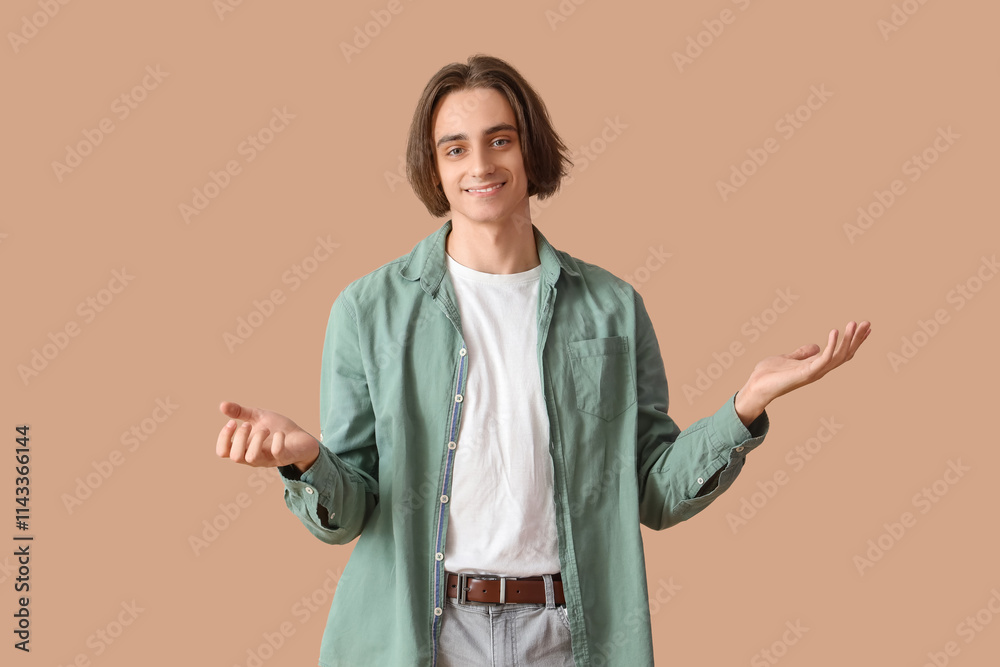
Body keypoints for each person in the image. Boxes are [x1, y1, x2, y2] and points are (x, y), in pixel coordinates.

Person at [215, 54, 871, 667]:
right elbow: (351, 511)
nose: (481, 164)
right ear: (435, 167)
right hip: (422, 631)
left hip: (569, 632)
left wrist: (744, 407)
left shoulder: (612, 307)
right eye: (456, 147)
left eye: (500, 139)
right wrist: (305, 458)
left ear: (529, 148)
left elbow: (650, 489)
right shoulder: (367, 310)